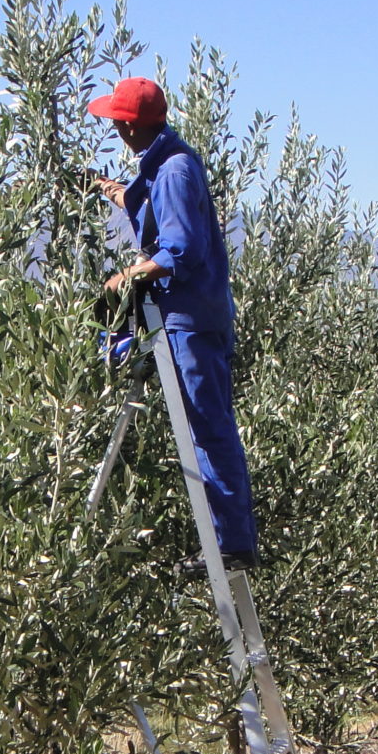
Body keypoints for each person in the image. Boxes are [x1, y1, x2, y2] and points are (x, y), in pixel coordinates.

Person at [90, 77, 259, 570]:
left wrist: (127, 276)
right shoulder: (167, 163)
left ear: (126, 126)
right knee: (207, 424)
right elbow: (151, 207)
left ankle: (231, 546)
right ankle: (230, 541)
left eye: (117, 124)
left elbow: (181, 248)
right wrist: (108, 191)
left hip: (190, 319)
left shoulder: (175, 171)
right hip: (191, 315)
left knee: (208, 428)